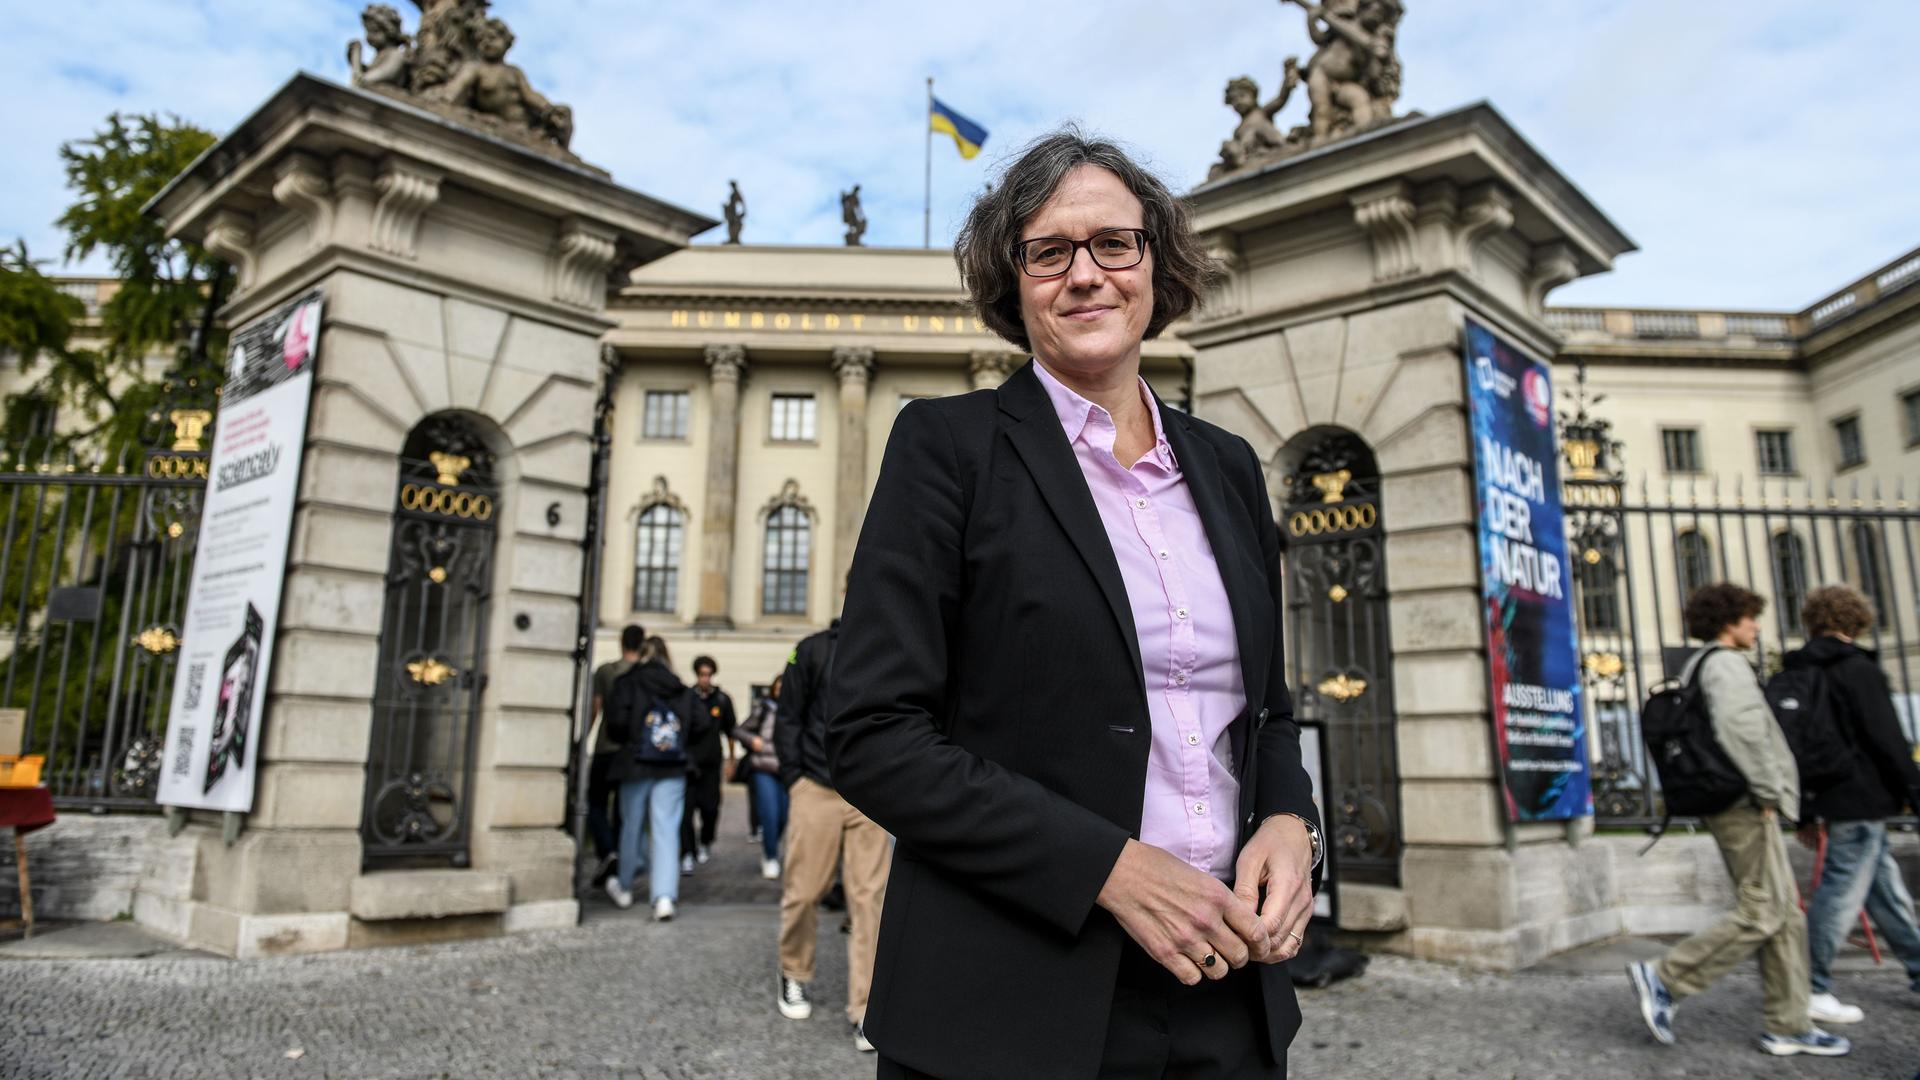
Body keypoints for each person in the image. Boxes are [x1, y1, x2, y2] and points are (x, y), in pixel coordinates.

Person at [827, 129, 1322, 1080]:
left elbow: (1266, 714)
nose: (1085, 274)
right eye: (1049, 251)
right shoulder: (948, 447)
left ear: (1155, 263)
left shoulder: (1228, 467)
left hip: (1225, 990)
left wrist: (1290, 824)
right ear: (1012, 283)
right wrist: (1107, 868)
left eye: (1113, 244)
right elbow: (872, 731)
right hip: (1011, 1004)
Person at [1627, 583, 1849, 1057]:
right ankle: (1666, 977)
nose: (1757, 626)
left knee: (1785, 916)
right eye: (1750, 617)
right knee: (1764, 910)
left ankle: (1788, 1024)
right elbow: (1743, 730)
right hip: (1745, 803)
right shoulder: (1725, 664)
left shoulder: (1703, 664)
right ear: (1729, 621)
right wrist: (1770, 790)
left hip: (1738, 800)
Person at [1791, 585, 1920, 1023]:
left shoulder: (1799, 669)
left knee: (1886, 892)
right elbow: (1886, 739)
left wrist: (1806, 809)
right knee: (1840, 893)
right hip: (1861, 794)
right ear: (1857, 619)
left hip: (1828, 794)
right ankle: (1810, 985)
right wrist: (1914, 791)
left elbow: (1796, 745)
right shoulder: (1856, 668)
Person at [775, 618, 891, 1052]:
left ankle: (865, 1008)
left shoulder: (890, 647)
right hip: (816, 788)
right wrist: (794, 778)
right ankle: (794, 972)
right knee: (804, 891)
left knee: (869, 898)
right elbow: (788, 716)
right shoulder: (810, 650)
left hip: (870, 792)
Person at [604, 636, 697, 921]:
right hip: (672, 764)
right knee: (666, 829)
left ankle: (625, 886)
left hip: (635, 763)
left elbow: (615, 725)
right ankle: (664, 897)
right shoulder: (679, 687)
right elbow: (699, 723)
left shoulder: (627, 682)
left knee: (631, 826)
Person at [586, 624, 645, 883]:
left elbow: (595, 709)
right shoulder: (645, 674)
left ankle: (607, 851)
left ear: (622, 643)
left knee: (595, 802)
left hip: (605, 747)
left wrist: (582, 740)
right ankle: (618, 858)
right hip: (632, 751)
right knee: (623, 809)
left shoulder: (606, 671)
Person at [679, 655, 736, 873]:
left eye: (708, 675)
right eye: (702, 674)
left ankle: (705, 841)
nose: (705, 679)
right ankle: (687, 851)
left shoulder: (721, 700)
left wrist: (731, 760)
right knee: (685, 812)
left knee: (710, 809)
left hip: (712, 763)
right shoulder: (688, 698)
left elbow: (730, 731)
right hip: (689, 763)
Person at [733, 674, 787, 879]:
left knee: (783, 817)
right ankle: (771, 855)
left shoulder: (796, 709)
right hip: (763, 769)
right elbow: (738, 731)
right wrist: (753, 740)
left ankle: (771, 844)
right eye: (778, 687)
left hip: (786, 770)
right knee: (770, 815)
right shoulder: (763, 709)